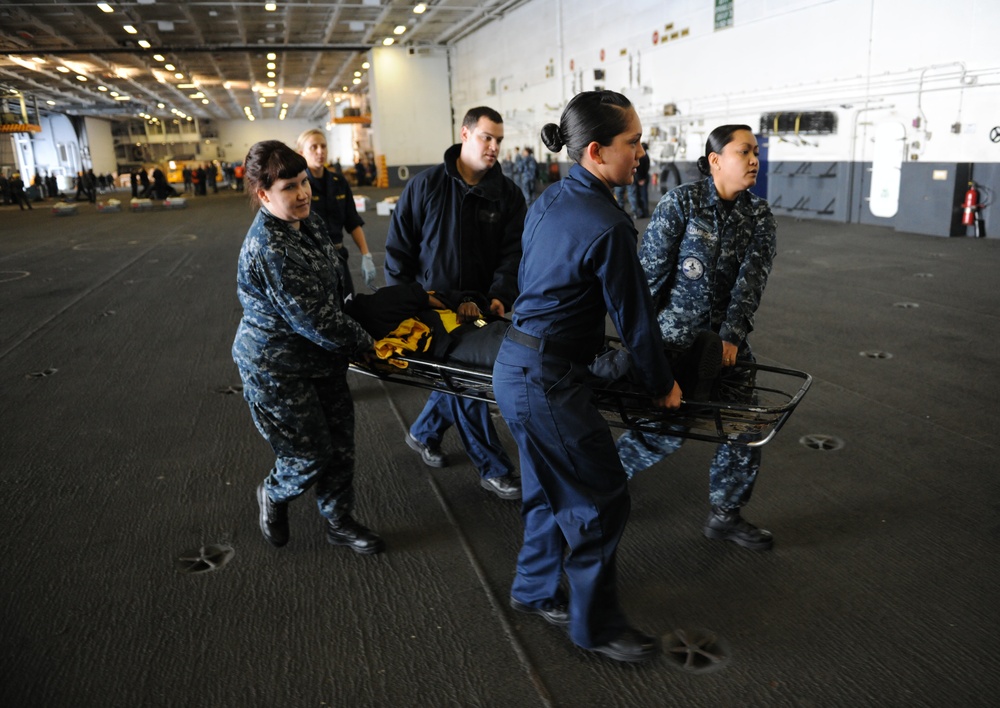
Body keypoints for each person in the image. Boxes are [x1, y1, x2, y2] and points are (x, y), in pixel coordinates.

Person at [493, 90, 682, 663]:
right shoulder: (610, 224)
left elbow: (538, 281)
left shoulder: (549, 198)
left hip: (517, 367)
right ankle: (596, 626)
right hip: (548, 380)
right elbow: (636, 321)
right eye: (633, 143)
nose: (642, 153)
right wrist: (661, 385)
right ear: (598, 151)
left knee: (549, 487)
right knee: (601, 500)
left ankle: (532, 586)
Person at [616, 124, 777, 551]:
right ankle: (602, 482)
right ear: (715, 160)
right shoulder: (681, 204)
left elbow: (751, 283)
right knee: (664, 431)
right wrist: (642, 344)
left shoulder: (758, 215)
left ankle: (726, 514)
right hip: (675, 342)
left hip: (725, 347)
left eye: (756, 152)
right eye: (745, 152)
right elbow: (648, 279)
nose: (754, 160)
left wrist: (732, 336)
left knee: (746, 426)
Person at [231, 140, 384, 555]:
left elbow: (333, 290)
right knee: (309, 454)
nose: (302, 194)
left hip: (321, 358)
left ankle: (338, 520)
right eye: (288, 188)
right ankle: (275, 494)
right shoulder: (270, 248)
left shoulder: (308, 221)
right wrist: (369, 344)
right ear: (263, 194)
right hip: (277, 368)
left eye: (303, 183)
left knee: (340, 444)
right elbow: (315, 320)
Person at [384, 106, 525, 501]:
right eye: (486, 137)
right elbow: (399, 251)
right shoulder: (425, 186)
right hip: (431, 307)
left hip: (479, 310)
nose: (494, 146)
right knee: (469, 379)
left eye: (499, 139)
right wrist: (409, 304)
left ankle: (423, 432)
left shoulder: (508, 196)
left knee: (464, 376)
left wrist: (499, 296)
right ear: (465, 134)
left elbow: (514, 255)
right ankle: (493, 468)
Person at [296, 129, 376, 296]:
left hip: (339, 257)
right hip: (311, 262)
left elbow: (352, 221)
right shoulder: (299, 186)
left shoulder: (339, 182)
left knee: (348, 307)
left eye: (323, 146)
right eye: (314, 147)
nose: (320, 151)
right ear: (301, 153)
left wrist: (366, 254)